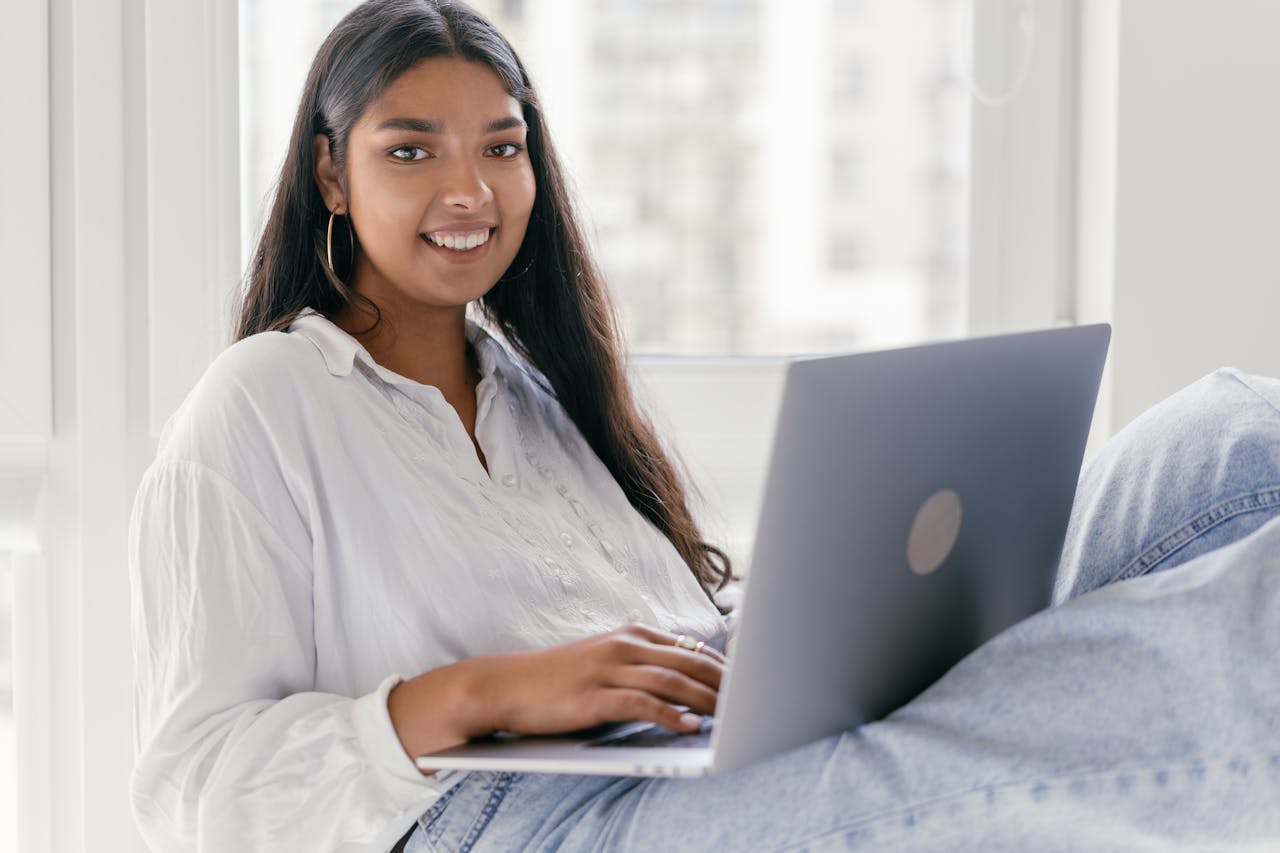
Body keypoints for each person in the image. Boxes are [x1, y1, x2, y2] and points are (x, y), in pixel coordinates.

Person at [127, 1, 1280, 850]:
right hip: (496, 818)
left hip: (679, 743)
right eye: (411, 149)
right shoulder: (262, 402)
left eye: (502, 144)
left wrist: (814, 622)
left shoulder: (538, 399)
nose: (469, 190)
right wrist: (486, 693)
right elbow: (196, 785)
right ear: (330, 176)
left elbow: (660, 641)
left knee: (1230, 440)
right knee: (1203, 636)